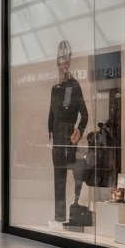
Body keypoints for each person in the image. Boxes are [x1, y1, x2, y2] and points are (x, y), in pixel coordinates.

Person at [48, 40, 88, 221]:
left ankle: (74, 212)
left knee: (73, 175)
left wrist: (78, 132)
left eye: (64, 59)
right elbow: (52, 113)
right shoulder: (56, 89)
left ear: (69, 61)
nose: (62, 63)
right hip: (57, 138)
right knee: (58, 177)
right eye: (59, 59)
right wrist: (50, 131)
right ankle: (59, 217)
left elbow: (84, 114)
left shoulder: (74, 85)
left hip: (67, 138)